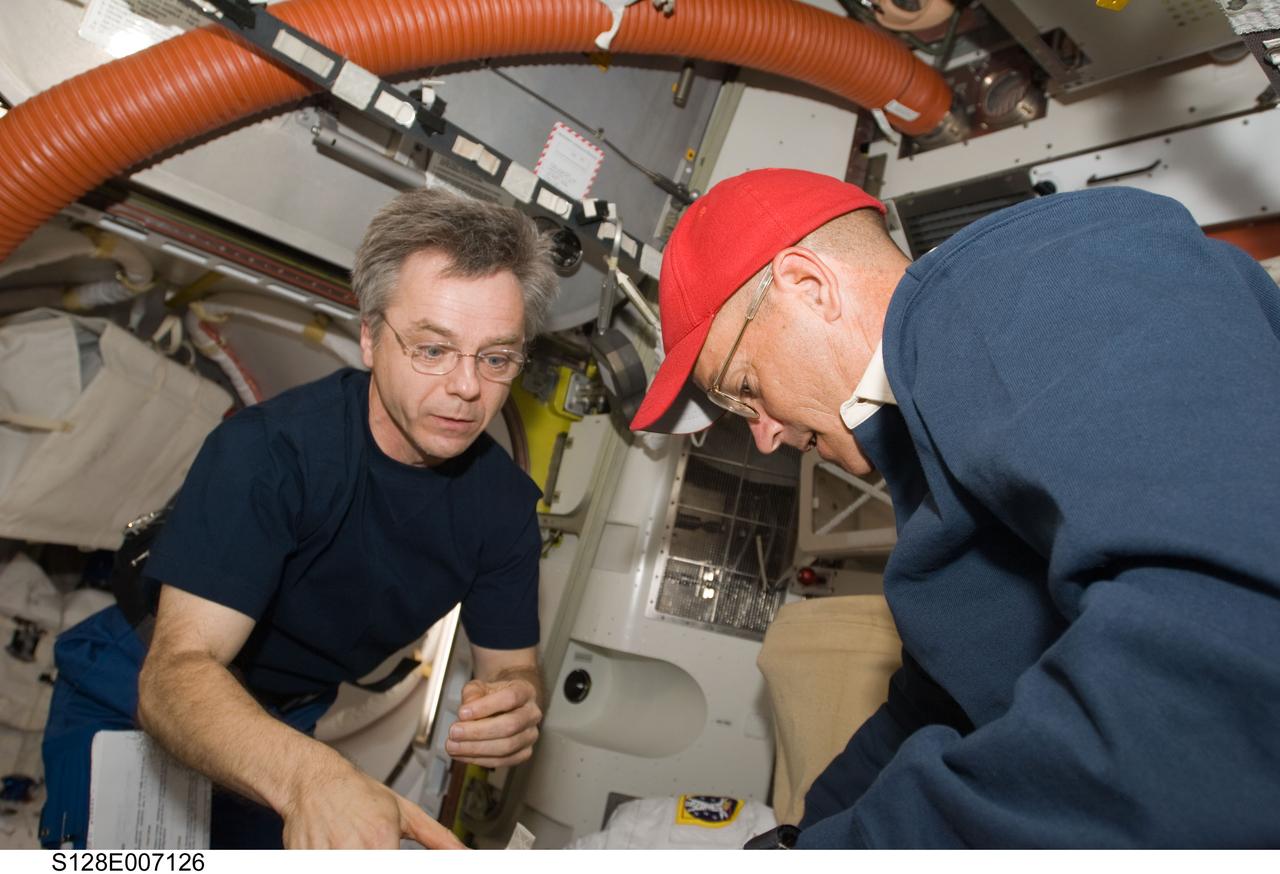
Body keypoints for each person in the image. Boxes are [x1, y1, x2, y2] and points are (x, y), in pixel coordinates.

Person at [630, 168, 1280, 847]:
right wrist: (800, 837)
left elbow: (1213, 675)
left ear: (808, 286)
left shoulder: (1048, 285)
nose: (764, 437)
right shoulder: (928, 434)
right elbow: (936, 699)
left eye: (744, 390)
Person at [40, 188, 558, 849]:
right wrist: (309, 776)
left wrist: (513, 700)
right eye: (432, 349)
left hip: (287, 721)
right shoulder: (271, 452)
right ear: (370, 338)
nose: (466, 387)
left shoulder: (506, 510)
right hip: (144, 685)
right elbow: (174, 678)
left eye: (495, 358)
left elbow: (510, 668)